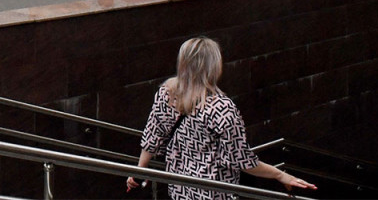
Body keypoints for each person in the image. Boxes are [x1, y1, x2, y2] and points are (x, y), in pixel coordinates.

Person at [127, 37, 315, 199]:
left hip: (179, 189)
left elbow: (153, 135)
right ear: (214, 66)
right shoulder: (222, 108)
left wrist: (139, 172)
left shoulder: (167, 93)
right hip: (214, 192)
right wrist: (280, 175)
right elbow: (241, 160)